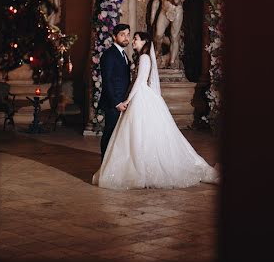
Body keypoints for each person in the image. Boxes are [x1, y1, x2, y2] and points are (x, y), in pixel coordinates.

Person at [93, 31, 219, 189]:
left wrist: (127, 99)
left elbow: (139, 81)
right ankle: (138, 163)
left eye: (136, 39)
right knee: (137, 133)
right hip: (140, 96)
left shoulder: (145, 58)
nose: (133, 41)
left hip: (141, 96)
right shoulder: (141, 57)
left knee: (141, 132)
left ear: (144, 42)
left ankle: (142, 166)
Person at [99, 23, 131, 161]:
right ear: (114, 36)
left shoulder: (123, 55)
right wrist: (117, 102)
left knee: (119, 135)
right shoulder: (109, 55)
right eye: (122, 34)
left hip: (122, 101)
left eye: (128, 34)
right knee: (110, 133)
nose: (126, 38)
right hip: (113, 103)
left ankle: (114, 162)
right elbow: (107, 81)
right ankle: (105, 164)